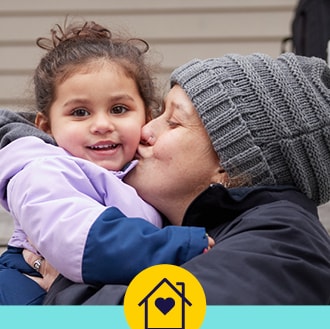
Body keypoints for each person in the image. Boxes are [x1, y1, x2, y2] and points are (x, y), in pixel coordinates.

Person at [28, 51, 330, 305]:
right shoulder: (192, 231)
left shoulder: (281, 247)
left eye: (172, 122)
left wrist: (66, 285)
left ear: (229, 165)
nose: (144, 131)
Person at [0, 20, 213, 305]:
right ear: (46, 127)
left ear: (146, 117)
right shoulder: (42, 169)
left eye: (118, 109)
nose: (101, 124)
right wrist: (179, 246)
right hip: (25, 288)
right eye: (79, 112)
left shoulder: (142, 174)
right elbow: (83, 241)